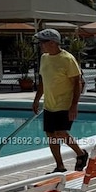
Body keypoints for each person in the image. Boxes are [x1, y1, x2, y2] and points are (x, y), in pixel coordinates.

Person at [32, 28, 89, 173]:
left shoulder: (67, 59)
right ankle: (60, 166)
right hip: (49, 104)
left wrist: (74, 105)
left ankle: (81, 153)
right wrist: (37, 99)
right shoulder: (44, 58)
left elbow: (77, 83)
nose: (40, 45)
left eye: (42, 42)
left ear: (52, 43)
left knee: (60, 133)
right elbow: (43, 81)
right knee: (51, 136)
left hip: (65, 103)